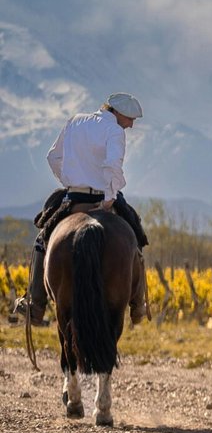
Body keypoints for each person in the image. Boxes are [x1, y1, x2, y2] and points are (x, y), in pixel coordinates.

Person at [14, 93, 149, 326]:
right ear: (116, 113)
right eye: (130, 119)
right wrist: (108, 199)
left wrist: (68, 180)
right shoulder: (114, 131)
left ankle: (35, 305)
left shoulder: (75, 121)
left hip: (73, 196)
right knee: (136, 236)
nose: (132, 125)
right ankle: (138, 305)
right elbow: (113, 165)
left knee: (42, 238)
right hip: (103, 197)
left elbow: (53, 156)